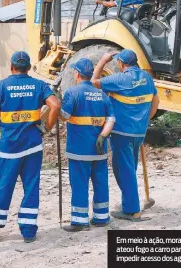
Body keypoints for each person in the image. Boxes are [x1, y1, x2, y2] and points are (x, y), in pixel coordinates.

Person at [0, 51, 61, 243]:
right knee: (31, 187)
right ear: (29, 68)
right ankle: (28, 231)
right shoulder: (39, 85)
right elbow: (55, 105)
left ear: (12, 67)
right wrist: (46, 128)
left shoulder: (3, 86)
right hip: (33, 145)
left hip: (10, 146)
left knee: (3, 186)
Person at [91, 49, 160, 221]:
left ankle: (132, 210)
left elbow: (92, 82)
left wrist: (102, 61)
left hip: (122, 133)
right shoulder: (147, 78)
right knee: (130, 168)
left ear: (121, 64)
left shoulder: (120, 78)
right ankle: (129, 202)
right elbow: (156, 101)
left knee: (124, 170)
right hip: (139, 132)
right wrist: (144, 120)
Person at [60, 58, 115, 232]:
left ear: (77, 74)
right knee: (100, 183)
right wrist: (102, 136)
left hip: (79, 150)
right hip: (99, 150)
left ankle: (79, 221)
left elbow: (64, 116)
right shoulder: (102, 95)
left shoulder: (72, 93)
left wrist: (55, 103)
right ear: (91, 74)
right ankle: (101, 217)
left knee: (79, 184)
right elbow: (111, 119)